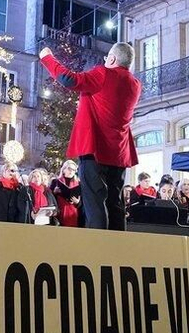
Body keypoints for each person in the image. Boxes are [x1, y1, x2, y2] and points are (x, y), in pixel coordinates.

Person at [39, 40, 141, 231]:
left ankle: (99, 249)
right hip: (119, 152)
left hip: (96, 149)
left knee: (95, 202)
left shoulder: (104, 73)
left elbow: (69, 79)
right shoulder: (135, 84)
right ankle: (119, 248)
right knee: (115, 203)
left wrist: (47, 58)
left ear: (111, 58)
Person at [51, 159, 82, 227]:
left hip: (73, 215)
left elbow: (84, 203)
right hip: (59, 214)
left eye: (74, 170)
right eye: (69, 168)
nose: (71, 171)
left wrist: (78, 202)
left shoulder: (79, 184)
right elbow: (49, 198)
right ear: (64, 170)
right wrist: (54, 192)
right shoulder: (55, 182)